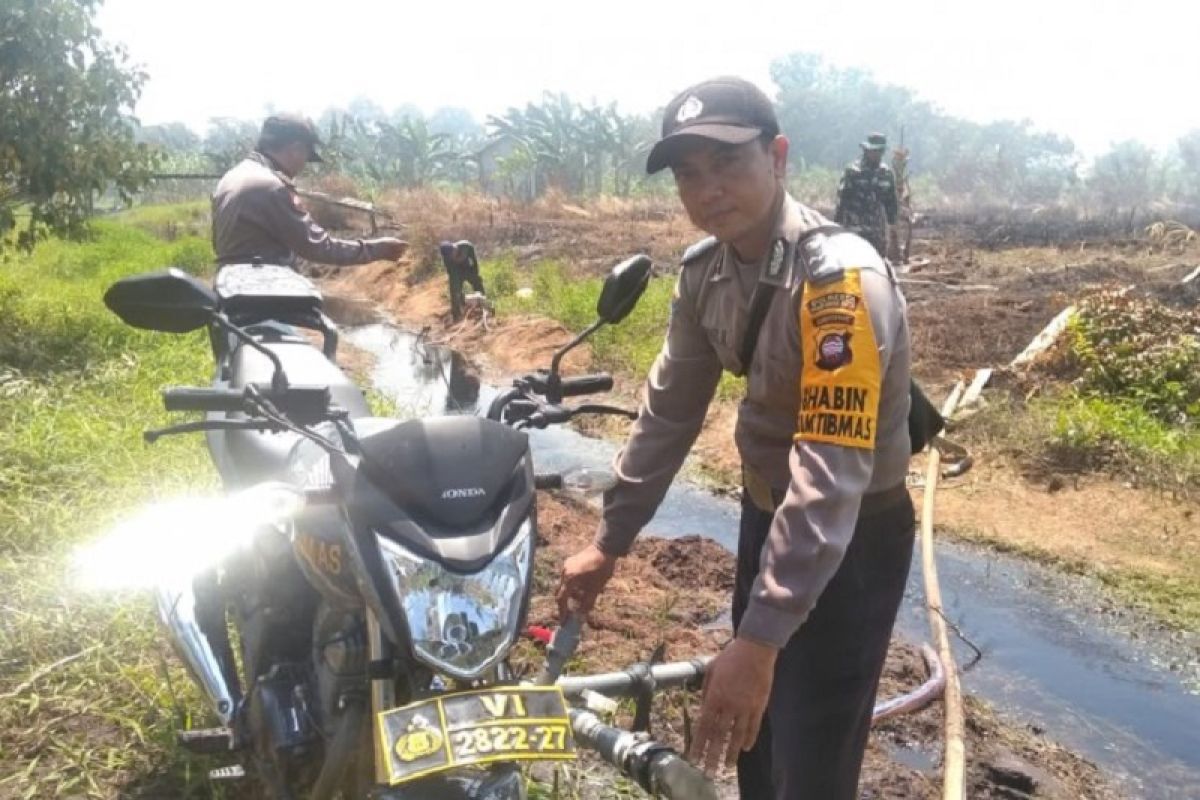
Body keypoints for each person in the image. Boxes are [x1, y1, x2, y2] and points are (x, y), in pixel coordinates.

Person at [555, 77, 915, 800]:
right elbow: (668, 413)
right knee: (757, 737)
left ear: (777, 156)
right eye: (689, 174)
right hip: (766, 515)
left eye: (728, 164)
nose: (708, 189)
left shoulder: (839, 282)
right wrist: (610, 539)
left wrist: (758, 635)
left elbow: (830, 472)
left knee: (810, 755)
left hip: (849, 539)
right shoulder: (706, 271)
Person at [211, 114, 406, 267]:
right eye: (305, 155)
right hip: (264, 294)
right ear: (296, 149)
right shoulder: (272, 187)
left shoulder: (230, 179)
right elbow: (317, 247)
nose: (304, 164)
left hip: (231, 288)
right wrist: (379, 249)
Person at [834, 132, 900, 260]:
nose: (876, 154)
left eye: (880, 151)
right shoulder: (852, 171)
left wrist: (893, 230)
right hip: (854, 231)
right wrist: (837, 228)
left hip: (877, 234)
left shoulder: (886, 174)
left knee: (876, 268)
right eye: (873, 151)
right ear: (866, 150)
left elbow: (891, 203)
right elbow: (842, 201)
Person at [438, 240, 487, 321]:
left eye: (451, 254)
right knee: (454, 291)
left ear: (454, 249)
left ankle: (483, 305)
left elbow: (474, 261)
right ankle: (457, 315)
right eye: (449, 257)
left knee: (477, 282)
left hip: (468, 268)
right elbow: (451, 273)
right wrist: (456, 289)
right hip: (456, 271)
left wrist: (475, 273)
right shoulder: (447, 259)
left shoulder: (466, 246)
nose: (451, 257)